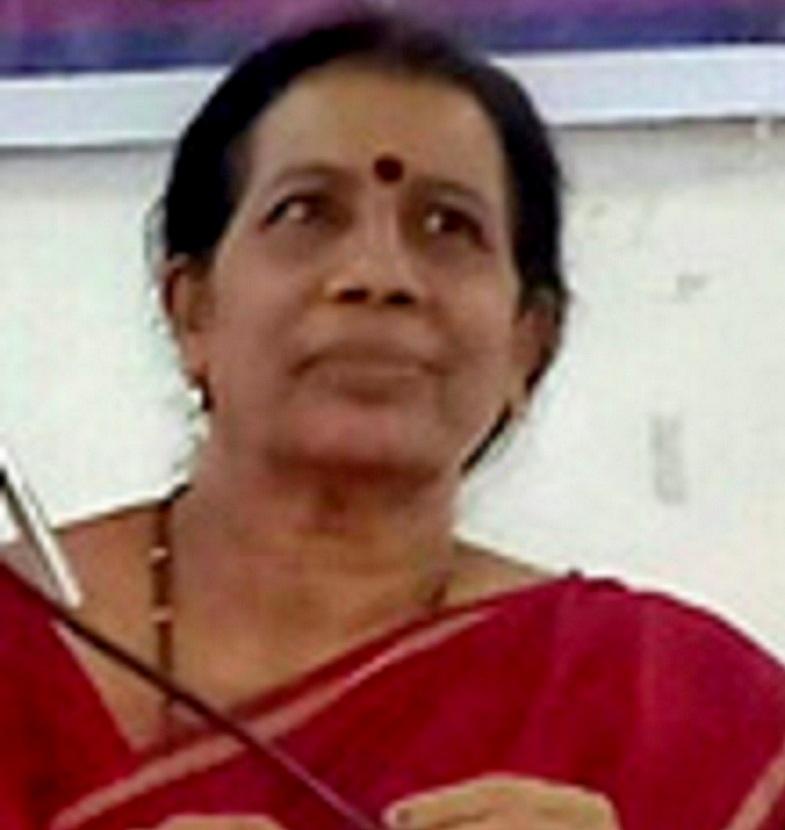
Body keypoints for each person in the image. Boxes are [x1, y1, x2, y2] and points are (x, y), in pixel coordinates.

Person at [1, 11, 783, 830]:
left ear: (528, 343)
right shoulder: (18, 644)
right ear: (192, 310)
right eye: (306, 213)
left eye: (449, 227)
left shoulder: (672, 706)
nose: (377, 274)